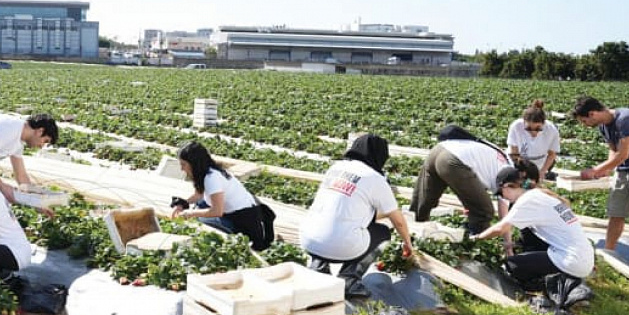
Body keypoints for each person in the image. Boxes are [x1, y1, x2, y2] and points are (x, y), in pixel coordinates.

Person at [300, 134, 414, 298]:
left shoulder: (336, 167)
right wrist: (407, 244)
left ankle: (318, 269)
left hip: (308, 239)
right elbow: (397, 219)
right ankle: (349, 280)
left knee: (331, 223)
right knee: (382, 233)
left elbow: (352, 211)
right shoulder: (375, 178)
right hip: (341, 245)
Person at [472, 167, 594, 311]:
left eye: (501, 193)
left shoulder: (528, 200)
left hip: (570, 260)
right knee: (525, 255)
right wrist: (511, 244)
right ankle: (568, 282)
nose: (503, 198)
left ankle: (559, 285)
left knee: (512, 266)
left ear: (508, 186)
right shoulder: (540, 195)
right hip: (583, 257)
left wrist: (476, 239)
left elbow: (501, 228)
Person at [172, 141, 274, 250]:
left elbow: (217, 211)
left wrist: (191, 213)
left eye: (184, 164)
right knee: (200, 204)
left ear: (194, 163)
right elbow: (198, 195)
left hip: (244, 220)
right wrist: (182, 204)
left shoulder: (211, 178)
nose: (181, 169)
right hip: (245, 211)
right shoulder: (208, 170)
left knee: (198, 221)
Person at [410, 128, 511, 234]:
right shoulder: (511, 176)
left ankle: (411, 231)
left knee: (423, 201)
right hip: (453, 160)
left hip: (439, 150)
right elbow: (503, 214)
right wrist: (507, 241)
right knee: (484, 211)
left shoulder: (502, 158)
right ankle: (476, 240)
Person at [572, 96, 629, 251]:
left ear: (592, 114)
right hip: (623, 171)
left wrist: (595, 171)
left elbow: (624, 153)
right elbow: (613, 150)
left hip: (626, 166)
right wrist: (606, 170)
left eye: (584, 121)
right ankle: (609, 251)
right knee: (616, 212)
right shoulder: (603, 126)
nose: (585, 125)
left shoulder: (625, 119)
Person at [507, 99, 561, 181]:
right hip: (519, 161)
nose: (533, 132)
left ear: (544, 123)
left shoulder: (551, 129)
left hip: (540, 162)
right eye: (528, 128)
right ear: (524, 122)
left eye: (538, 129)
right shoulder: (516, 126)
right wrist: (522, 171)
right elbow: (514, 153)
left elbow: (551, 154)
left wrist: (542, 171)